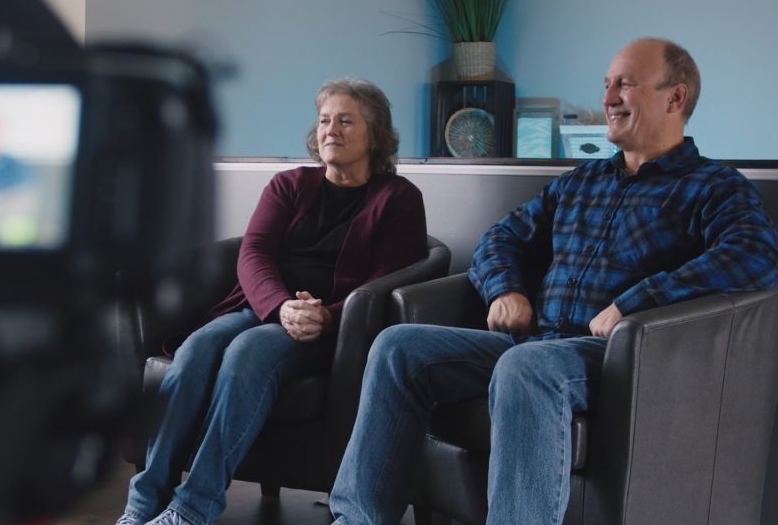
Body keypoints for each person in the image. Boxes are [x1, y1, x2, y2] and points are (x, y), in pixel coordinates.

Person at [329, 38, 778, 525]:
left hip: (623, 360)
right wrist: (505, 289)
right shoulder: (581, 182)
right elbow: (501, 237)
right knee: (398, 347)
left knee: (526, 365)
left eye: (625, 84)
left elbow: (753, 257)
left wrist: (634, 303)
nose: (608, 98)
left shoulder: (714, 187)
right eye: (607, 84)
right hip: (539, 344)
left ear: (675, 97)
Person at [117, 78, 428, 525]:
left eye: (345, 121)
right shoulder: (289, 184)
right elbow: (254, 253)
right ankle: (144, 503)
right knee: (196, 348)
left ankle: (193, 507)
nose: (330, 130)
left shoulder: (399, 199)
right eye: (324, 120)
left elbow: (384, 280)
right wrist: (280, 306)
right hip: (263, 307)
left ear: (375, 134)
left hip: (332, 331)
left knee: (247, 351)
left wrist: (325, 316)